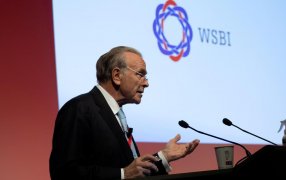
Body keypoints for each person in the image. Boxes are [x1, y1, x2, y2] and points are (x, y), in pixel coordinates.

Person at [49, 46, 200, 179]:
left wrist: (164, 157)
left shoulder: (117, 114)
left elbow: (132, 171)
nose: (146, 83)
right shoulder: (79, 109)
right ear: (116, 76)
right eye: (140, 74)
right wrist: (122, 174)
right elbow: (64, 173)